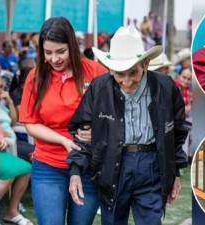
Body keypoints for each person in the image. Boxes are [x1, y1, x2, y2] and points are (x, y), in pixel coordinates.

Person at [67, 26, 189, 225]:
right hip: (112, 164)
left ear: (145, 63)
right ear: (109, 68)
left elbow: (177, 133)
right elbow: (82, 133)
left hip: (152, 165)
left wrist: (175, 173)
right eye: (118, 74)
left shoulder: (165, 86)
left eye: (133, 72)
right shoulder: (99, 87)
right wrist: (75, 171)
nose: (126, 81)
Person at [19, 16, 107, 225]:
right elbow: (30, 123)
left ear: (72, 47)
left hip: (89, 165)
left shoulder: (95, 72)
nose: (54, 59)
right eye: (48, 53)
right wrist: (63, 140)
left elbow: (114, 114)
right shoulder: (36, 76)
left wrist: (99, 130)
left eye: (61, 52)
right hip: (48, 165)